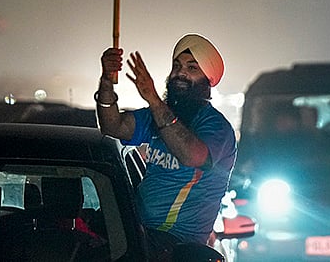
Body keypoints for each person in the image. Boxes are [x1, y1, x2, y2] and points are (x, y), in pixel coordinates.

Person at [96, 33, 236, 259]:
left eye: (192, 68)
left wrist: (153, 99)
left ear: (207, 80)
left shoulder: (216, 128)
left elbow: (193, 156)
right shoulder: (156, 116)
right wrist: (105, 81)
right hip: (136, 234)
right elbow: (113, 126)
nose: (181, 73)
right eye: (177, 66)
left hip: (176, 246)